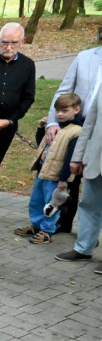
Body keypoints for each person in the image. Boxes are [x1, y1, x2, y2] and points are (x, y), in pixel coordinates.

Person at [0, 23, 36, 224]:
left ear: (22, 42)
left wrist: (10, 120)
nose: (9, 47)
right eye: (5, 42)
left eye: (14, 43)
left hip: (5, 126)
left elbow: (28, 98)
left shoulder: (28, 65)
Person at [46, 45, 102, 236]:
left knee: (95, 181)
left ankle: (90, 235)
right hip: (75, 126)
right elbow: (64, 90)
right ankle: (63, 221)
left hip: (99, 130)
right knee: (69, 174)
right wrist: (53, 122)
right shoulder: (85, 57)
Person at [16, 94, 83, 244]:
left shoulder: (76, 131)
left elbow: (71, 158)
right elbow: (42, 143)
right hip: (43, 172)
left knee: (50, 206)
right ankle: (37, 226)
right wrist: (41, 129)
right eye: (57, 110)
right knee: (36, 201)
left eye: (65, 111)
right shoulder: (55, 127)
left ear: (76, 110)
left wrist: (64, 179)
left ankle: (47, 231)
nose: (59, 114)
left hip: (56, 177)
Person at [57, 74, 102, 271]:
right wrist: (77, 156)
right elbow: (90, 123)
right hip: (95, 159)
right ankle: (83, 248)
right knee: (88, 205)